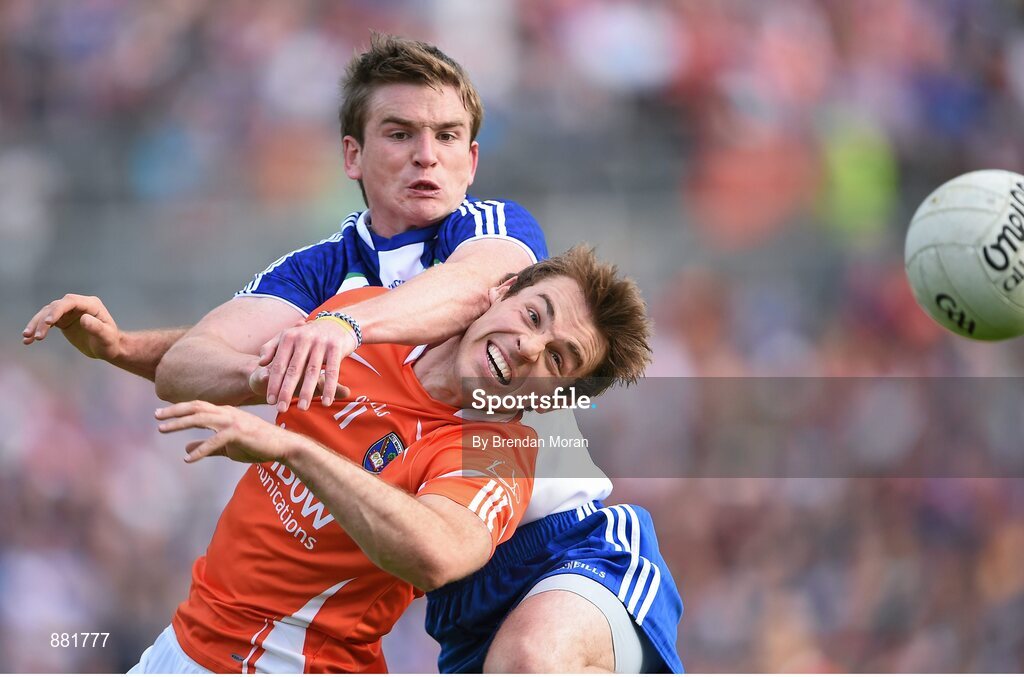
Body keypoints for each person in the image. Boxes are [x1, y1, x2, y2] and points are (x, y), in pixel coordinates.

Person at [24, 34, 682, 672]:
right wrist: (129, 349)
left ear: (472, 160)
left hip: (567, 546)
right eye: (401, 133)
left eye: (447, 136)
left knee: (532, 660)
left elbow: (468, 287)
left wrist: (338, 335)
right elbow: (201, 362)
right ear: (352, 154)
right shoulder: (327, 274)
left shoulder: (487, 242)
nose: (427, 156)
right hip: (458, 591)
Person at [132, 246, 652, 673]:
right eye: (534, 315)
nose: (528, 347)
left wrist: (294, 450)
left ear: (555, 400)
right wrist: (256, 376)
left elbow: (438, 553)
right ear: (499, 293)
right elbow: (181, 372)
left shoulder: (497, 453)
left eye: (558, 359)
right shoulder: (362, 317)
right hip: (179, 642)